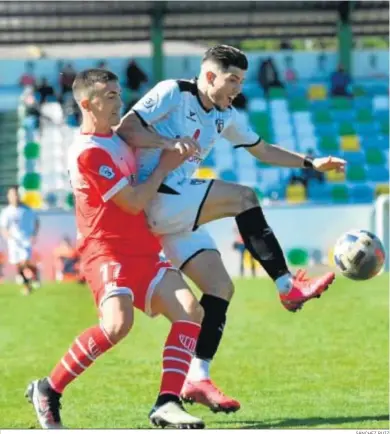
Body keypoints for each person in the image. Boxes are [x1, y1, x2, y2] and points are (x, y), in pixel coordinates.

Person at [116, 45, 346, 413]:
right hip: (155, 195)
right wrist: (166, 143)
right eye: (232, 80)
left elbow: (263, 150)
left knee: (221, 288)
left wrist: (311, 162)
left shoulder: (225, 115)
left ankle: (197, 376)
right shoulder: (173, 92)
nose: (237, 88)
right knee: (243, 196)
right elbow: (125, 128)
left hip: (174, 210)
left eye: (241, 81)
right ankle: (287, 286)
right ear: (209, 76)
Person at [25, 69, 205, 429]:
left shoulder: (121, 139)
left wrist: (172, 145)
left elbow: (141, 137)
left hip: (142, 249)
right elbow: (134, 202)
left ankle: (167, 404)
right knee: (118, 325)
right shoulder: (87, 153)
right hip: (104, 251)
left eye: (118, 94)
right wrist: (168, 162)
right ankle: (48, 389)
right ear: (86, 103)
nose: (118, 102)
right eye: (109, 96)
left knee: (190, 311)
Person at [0, 186, 40, 295]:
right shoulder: (6, 212)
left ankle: (34, 273)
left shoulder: (27, 209)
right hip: (13, 242)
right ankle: (27, 286)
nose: (15, 197)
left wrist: (34, 234)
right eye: (12, 195)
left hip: (25, 240)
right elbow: (3, 227)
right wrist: (7, 236)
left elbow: (36, 221)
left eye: (16, 194)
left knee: (25, 262)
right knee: (18, 265)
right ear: (9, 197)